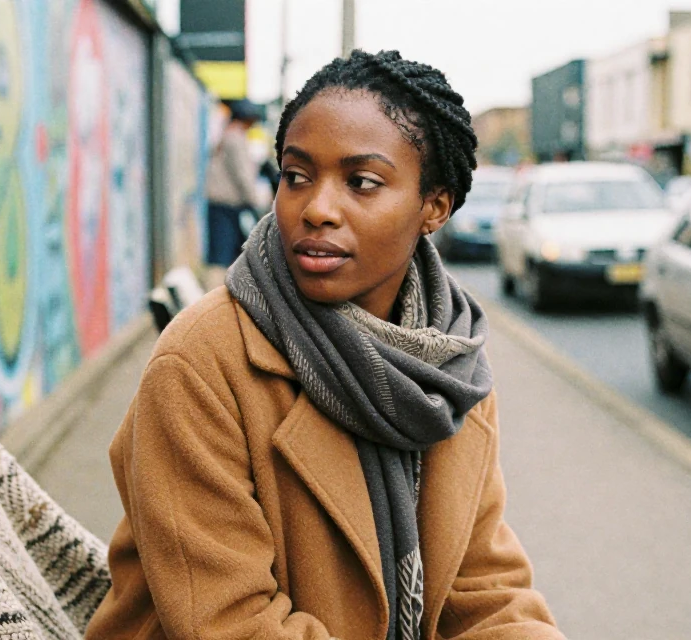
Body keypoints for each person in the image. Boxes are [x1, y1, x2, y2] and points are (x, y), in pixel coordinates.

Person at [85, 50, 564, 640]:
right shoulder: (201, 364)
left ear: (433, 207)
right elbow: (231, 622)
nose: (316, 209)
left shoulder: (450, 368)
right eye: (296, 176)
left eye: (362, 182)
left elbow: (486, 589)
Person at [207, 99, 266, 266]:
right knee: (223, 253)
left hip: (222, 204)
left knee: (226, 251)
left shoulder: (228, 134)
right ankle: (219, 289)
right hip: (225, 205)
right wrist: (254, 201)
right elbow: (242, 174)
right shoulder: (235, 137)